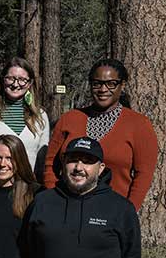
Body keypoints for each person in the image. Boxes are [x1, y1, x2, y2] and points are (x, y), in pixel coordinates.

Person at [43, 58, 158, 211]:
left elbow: (143, 175)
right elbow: (50, 163)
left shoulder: (139, 125)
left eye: (111, 84)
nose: (103, 89)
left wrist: (128, 212)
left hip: (112, 212)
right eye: (97, 83)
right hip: (67, 208)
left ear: (122, 85)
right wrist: (53, 198)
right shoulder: (69, 119)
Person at [0, 58, 49, 189]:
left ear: (30, 83)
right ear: (2, 80)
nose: (16, 84)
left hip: (27, 190)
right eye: (10, 78)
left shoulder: (40, 117)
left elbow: (42, 159)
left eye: (22, 79)